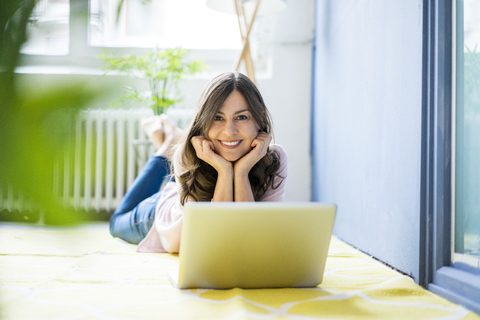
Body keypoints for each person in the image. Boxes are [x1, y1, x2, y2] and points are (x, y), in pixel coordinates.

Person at [109, 71, 288, 253]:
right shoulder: (186, 155)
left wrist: (240, 171)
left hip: (190, 190)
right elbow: (214, 239)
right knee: (116, 224)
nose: (229, 131)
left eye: (242, 117)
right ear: (203, 122)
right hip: (166, 214)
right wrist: (225, 170)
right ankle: (166, 146)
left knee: (182, 168)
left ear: (259, 120)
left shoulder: (274, 158)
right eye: (217, 118)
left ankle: (170, 139)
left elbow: (251, 237)